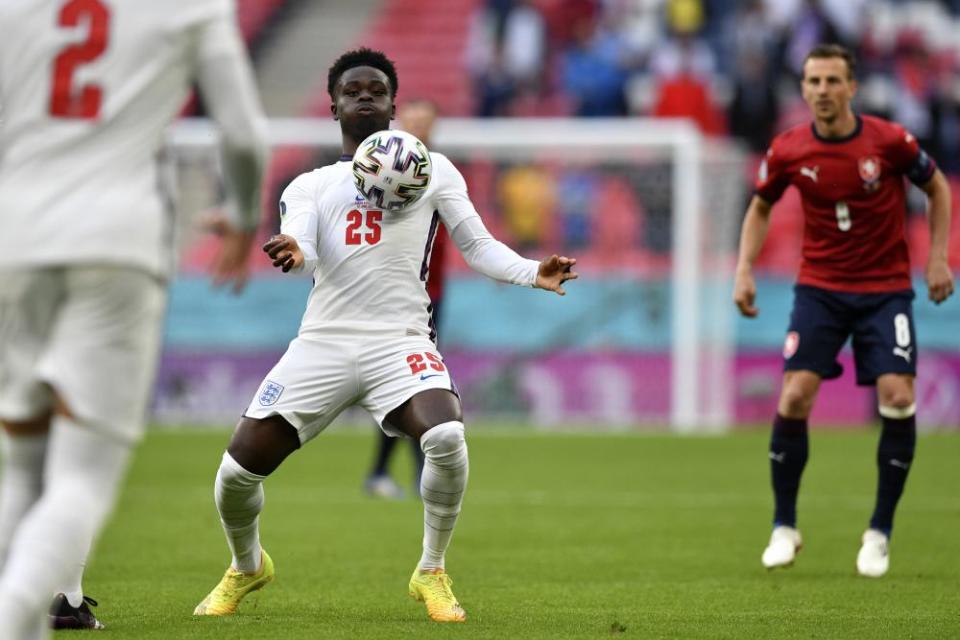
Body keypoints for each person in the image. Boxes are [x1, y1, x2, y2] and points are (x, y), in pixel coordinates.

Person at [192, 47, 577, 623]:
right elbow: (302, 251)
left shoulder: (434, 169)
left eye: (376, 88)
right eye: (353, 90)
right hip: (323, 341)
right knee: (234, 476)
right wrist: (293, 252)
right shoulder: (310, 185)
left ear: (394, 103)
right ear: (334, 106)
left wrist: (531, 272)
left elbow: (476, 245)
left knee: (446, 434)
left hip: (400, 340)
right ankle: (247, 566)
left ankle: (432, 570)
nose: (365, 95)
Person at [0, 1, 267, 636]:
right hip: (117, 241)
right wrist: (243, 214)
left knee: (19, 465)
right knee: (81, 477)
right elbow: (244, 136)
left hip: (14, 236)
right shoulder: (190, 6)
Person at [732, 43, 954, 578]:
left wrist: (939, 256)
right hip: (820, 290)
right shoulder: (788, 149)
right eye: (814, 82)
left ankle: (879, 531)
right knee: (794, 393)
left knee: (898, 395)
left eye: (833, 81)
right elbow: (761, 205)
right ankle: (784, 527)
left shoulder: (890, 141)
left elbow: (937, 186)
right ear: (804, 88)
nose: (823, 91)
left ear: (852, 87)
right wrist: (744, 267)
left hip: (885, 291)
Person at [363, 99, 442, 500]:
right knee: (407, 388)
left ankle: (390, 473)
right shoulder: (378, 175)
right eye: (411, 120)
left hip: (430, 298)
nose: (417, 128)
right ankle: (402, 473)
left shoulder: (442, 175)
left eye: (424, 122)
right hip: (389, 298)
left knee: (414, 388)